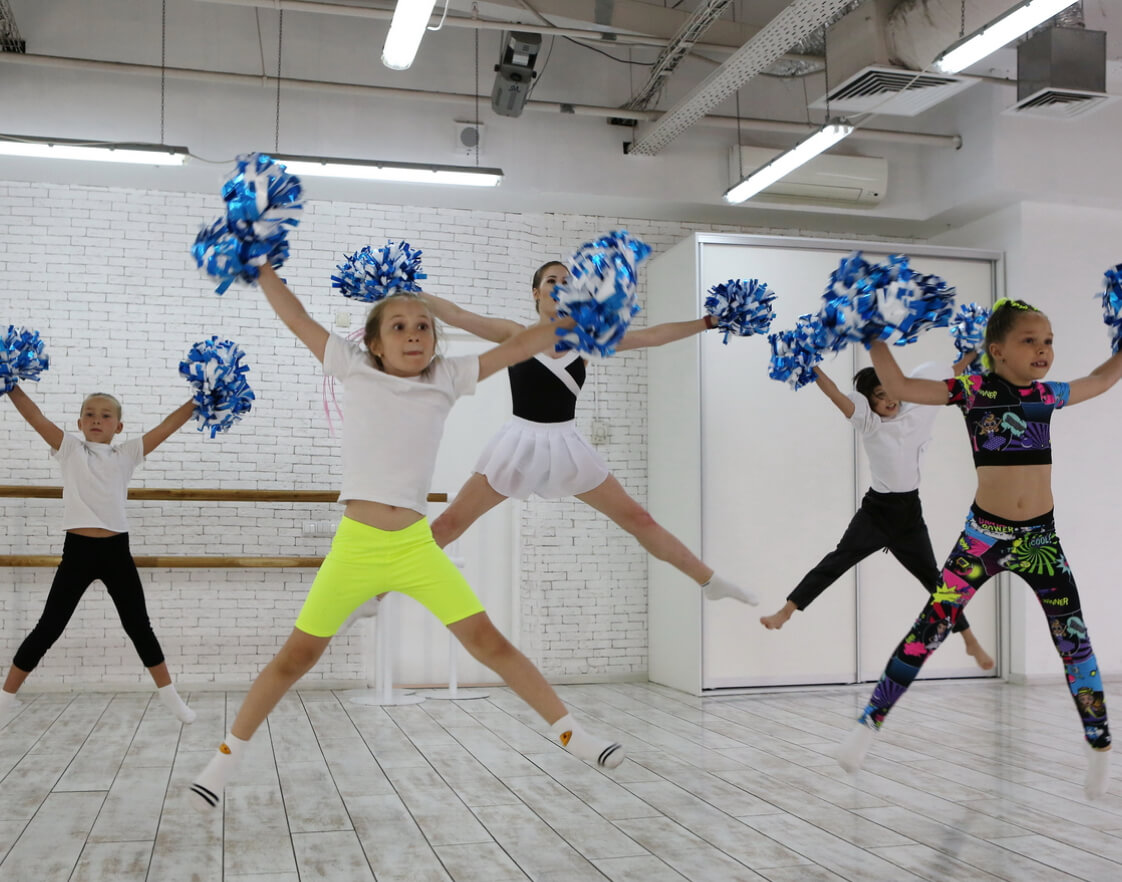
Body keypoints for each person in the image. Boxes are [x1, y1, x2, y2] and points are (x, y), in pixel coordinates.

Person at [189, 263, 625, 813]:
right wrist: (263, 270)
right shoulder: (351, 366)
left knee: (490, 643)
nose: (414, 335)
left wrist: (578, 314)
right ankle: (224, 760)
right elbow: (296, 317)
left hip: (416, 548)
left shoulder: (448, 377)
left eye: (423, 327)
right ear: (373, 342)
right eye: (398, 327)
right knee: (295, 658)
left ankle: (571, 733)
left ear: (435, 341)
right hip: (356, 547)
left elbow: (522, 344)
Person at [835, 298, 1121, 801]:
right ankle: (866, 726)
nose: (1042, 350)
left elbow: (1100, 380)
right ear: (997, 349)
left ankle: (1099, 746)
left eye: (1048, 341)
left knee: (1072, 642)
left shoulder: (1047, 395)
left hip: (1039, 541)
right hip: (983, 537)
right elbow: (899, 387)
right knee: (929, 629)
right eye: (1029, 341)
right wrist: (872, 334)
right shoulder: (971, 390)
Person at [417, 260, 757, 607]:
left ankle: (710, 581)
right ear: (536, 293)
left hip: (566, 446)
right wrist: (408, 290)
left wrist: (709, 322)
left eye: (568, 282)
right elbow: (457, 315)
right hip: (518, 444)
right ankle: (384, 585)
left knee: (639, 519)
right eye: (552, 280)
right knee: (448, 525)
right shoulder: (515, 333)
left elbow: (653, 336)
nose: (560, 286)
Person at [760, 355, 994, 671]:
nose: (890, 400)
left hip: (909, 516)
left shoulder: (917, 410)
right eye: (881, 396)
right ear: (869, 403)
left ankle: (970, 640)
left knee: (936, 580)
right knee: (837, 560)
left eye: (891, 392)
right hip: (876, 514)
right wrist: (810, 364)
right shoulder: (869, 423)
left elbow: (947, 373)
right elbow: (834, 393)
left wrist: (973, 353)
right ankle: (785, 612)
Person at [0, 385, 197, 724]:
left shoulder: (127, 454)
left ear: (118, 427)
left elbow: (166, 427)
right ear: (79, 422)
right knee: (49, 627)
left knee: (139, 626)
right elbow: (35, 417)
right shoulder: (69, 449)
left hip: (116, 552)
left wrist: (199, 400)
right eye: (89, 414)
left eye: (105, 416)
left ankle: (170, 696)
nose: (96, 420)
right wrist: (10, 384)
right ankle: (5, 698)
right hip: (77, 552)